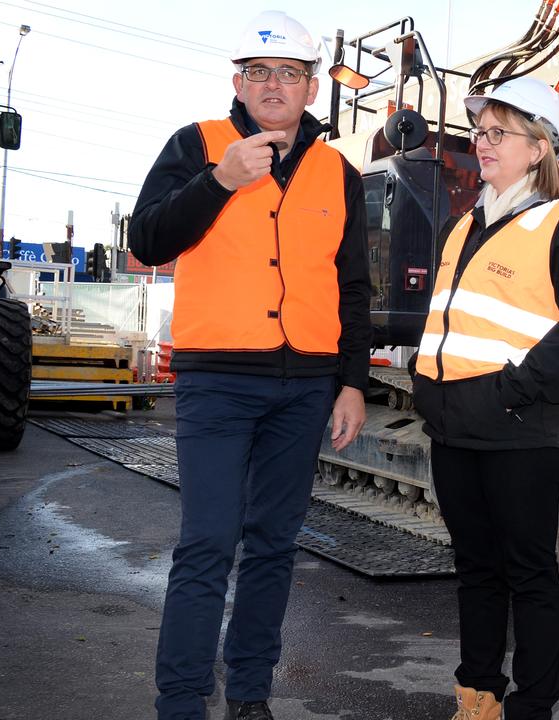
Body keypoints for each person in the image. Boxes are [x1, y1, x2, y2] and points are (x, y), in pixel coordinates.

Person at [128, 11, 371, 720]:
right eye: (260, 72)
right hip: (219, 381)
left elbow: (352, 286)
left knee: (273, 545)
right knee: (207, 542)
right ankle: (180, 701)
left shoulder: (338, 172)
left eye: (289, 74)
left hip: (306, 385)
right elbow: (146, 238)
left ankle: (251, 694)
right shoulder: (197, 145)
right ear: (238, 80)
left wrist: (352, 381)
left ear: (310, 86)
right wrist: (218, 181)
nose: (274, 85)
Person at [412, 77, 559, 720]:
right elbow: (446, 320)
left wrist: (514, 390)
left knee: (528, 572)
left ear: (540, 148)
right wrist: (425, 386)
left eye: (499, 132)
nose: (482, 143)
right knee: (474, 568)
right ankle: (478, 693)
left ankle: (533, 704)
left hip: (519, 428)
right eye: (480, 131)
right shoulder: (464, 224)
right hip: (451, 426)